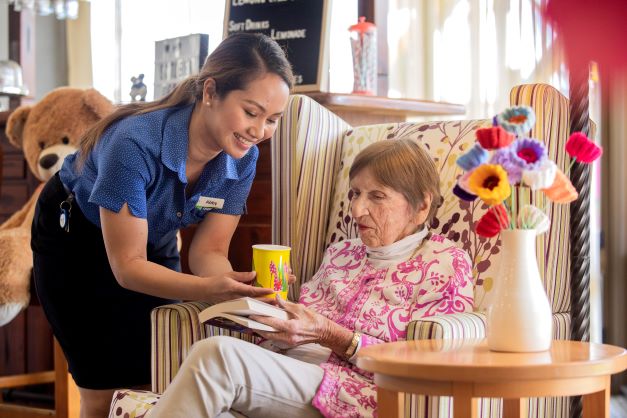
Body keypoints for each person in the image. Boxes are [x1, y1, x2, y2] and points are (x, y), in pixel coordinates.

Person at [31, 33, 292, 418]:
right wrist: (207, 289)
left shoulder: (243, 157)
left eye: (272, 120)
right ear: (210, 92)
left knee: (157, 376)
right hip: (76, 240)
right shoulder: (133, 142)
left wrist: (238, 293)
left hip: (151, 237)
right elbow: (128, 267)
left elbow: (209, 251)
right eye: (251, 112)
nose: (259, 131)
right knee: (104, 393)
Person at [148, 139, 475, 418]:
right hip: (293, 375)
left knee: (216, 355)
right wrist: (273, 306)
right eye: (355, 193)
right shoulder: (342, 253)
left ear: (421, 206)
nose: (357, 209)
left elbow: (429, 365)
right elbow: (304, 322)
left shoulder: (446, 264)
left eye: (376, 196)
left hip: (361, 393)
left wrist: (335, 336)